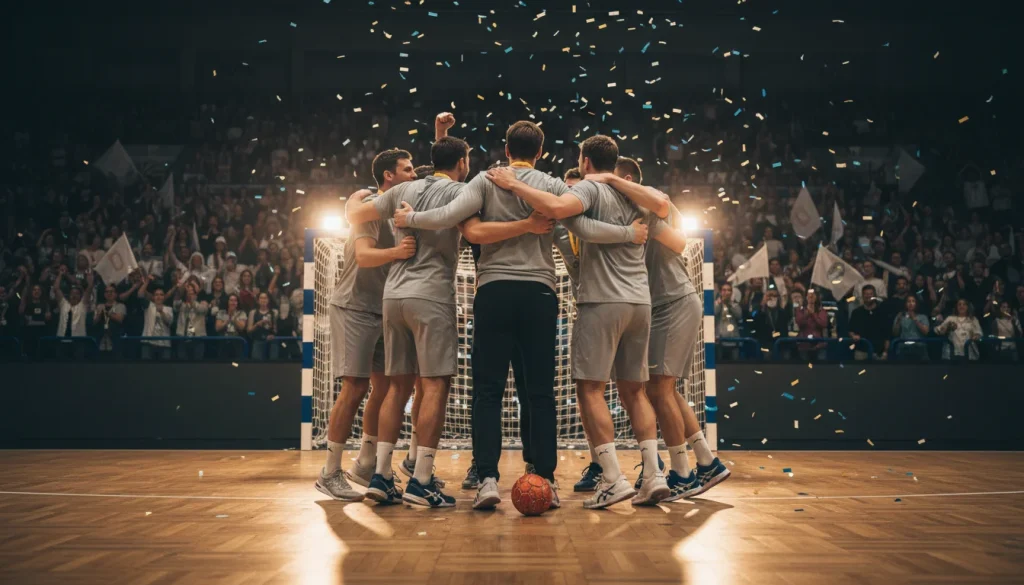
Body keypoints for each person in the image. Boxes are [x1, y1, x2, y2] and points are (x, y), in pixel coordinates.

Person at [395, 124, 645, 509]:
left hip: (493, 292)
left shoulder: (485, 179)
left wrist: (410, 220)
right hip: (540, 295)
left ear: (507, 150)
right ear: (541, 152)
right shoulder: (553, 185)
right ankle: (544, 476)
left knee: (488, 391)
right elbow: (576, 231)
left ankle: (487, 479)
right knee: (540, 393)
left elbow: (450, 218)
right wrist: (627, 235)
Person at [485, 134, 674, 508]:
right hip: (640, 301)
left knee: (590, 390)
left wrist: (514, 184)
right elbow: (659, 207)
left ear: (585, 161)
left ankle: (613, 478)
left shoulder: (589, 189)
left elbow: (557, 208)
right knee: (634, 391)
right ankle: (653, 475)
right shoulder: (639, 193)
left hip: (602, 301)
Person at [345, 131, 471, 508]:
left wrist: (353, 199)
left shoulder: (404, 191)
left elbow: (356, 214)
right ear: (462, 163)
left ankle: (381, 476)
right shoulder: (461, 192)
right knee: (433, 386)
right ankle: (421, 479)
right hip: (430, 296)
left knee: (395, 388)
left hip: (393, 296)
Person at [611, 156, 729, 501]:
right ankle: (707, 463)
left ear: (628, 179)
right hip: (661, 306)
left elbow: (679, 244)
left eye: (612, 181)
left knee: (660, 390)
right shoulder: (633, 213)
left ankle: (682, 472)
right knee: (663, 390)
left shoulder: (653, 202)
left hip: (675, 302)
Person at [315, 147, 419, 502]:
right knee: (355, 388)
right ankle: (329, 471)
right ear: (389, 176)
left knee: (386, 388)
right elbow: (363, 256)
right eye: (408, 170)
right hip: (355, 308)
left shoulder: (401, 210)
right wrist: (397, 252)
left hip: (383, 310)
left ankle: (365, 463)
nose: (414, 175)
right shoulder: (368, 208)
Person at [849, 284, 890, 360]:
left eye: (870, 294)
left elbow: (887, 335)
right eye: (866, 294)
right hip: (861, 351)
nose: (868, 296)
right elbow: (851, 330)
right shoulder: (856, 312)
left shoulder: (882, 312)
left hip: (878, 352)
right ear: (862, 295)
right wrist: (853, 336)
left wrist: (885, 352)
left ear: (875, 295)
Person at [174, 279, 210, 360]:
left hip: (197, 338)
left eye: (192, 292)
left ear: (196, 294)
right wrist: (180, 290)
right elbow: (175, 306)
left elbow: (202, 310)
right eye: (188, 292)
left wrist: (192, 301)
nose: (190, 294)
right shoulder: (181, 304)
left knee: (197, 364)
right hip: (182, 337)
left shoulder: (203, 303)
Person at [793, 288, 828, 361]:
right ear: (806, 297)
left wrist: (813, 314)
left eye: (813, 295)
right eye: (809, 295)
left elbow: (823, 323)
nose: (811, 297)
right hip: (804, 344)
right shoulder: (800, 310)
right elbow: (799, 322)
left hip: (819, 344)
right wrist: (806, 314)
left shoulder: (821, 311)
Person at [891, 296, 931, 361]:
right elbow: (895, 333)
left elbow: (926, 332)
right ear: (905, 304)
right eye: (908, 301)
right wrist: (898, 320)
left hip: (919, 348)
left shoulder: (923, 317)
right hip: (904, 348)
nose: (911, 303)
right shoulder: (900, 316)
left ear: (916, 303)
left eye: (913, 301)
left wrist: (915, 319)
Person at [93, 284, 127, 357]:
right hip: (101, 338)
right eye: (107, 292)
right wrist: (99, 314)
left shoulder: (120, 306)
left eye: (111, 291)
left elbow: (120, 319)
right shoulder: (99, 306)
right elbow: (95, 321)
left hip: (115, 339)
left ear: (116, 294)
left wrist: (107, 313)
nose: (109, 293)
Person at [714, 282, 743, 361]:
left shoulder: (734, 304)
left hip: (734, 340)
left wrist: (729, 304)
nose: (726, 292)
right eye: (724, 290)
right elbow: (714, 313)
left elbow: (739, 315)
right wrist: (720, 303)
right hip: (719, 340)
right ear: (720, 292)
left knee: (735, 366)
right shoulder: (716, 303)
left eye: (729, 290)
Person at [215, 293, 248, 360]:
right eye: (231, 300)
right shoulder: (221, 312)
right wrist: (227, 320)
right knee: (223, 363)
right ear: (228, 302)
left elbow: (241, 328)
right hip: (224, 341)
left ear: (237, 303)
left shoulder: (242, 313)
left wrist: (233, 318)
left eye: (235, 301)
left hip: (237, 341)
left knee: (236, 364)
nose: (233, 303)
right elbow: (217, 328)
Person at [247, 291, 278, 361]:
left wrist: (271, 327)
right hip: (258, 341)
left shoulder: (274, 312)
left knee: (273, 363)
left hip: (271, 342)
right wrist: (257, 324)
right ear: (258, 300)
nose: (263, 300)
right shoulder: (253, 312)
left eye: (265, 298)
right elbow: (249, 330)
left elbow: (276, 330)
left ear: (268, 300)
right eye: (261, 298)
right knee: (257, 364)